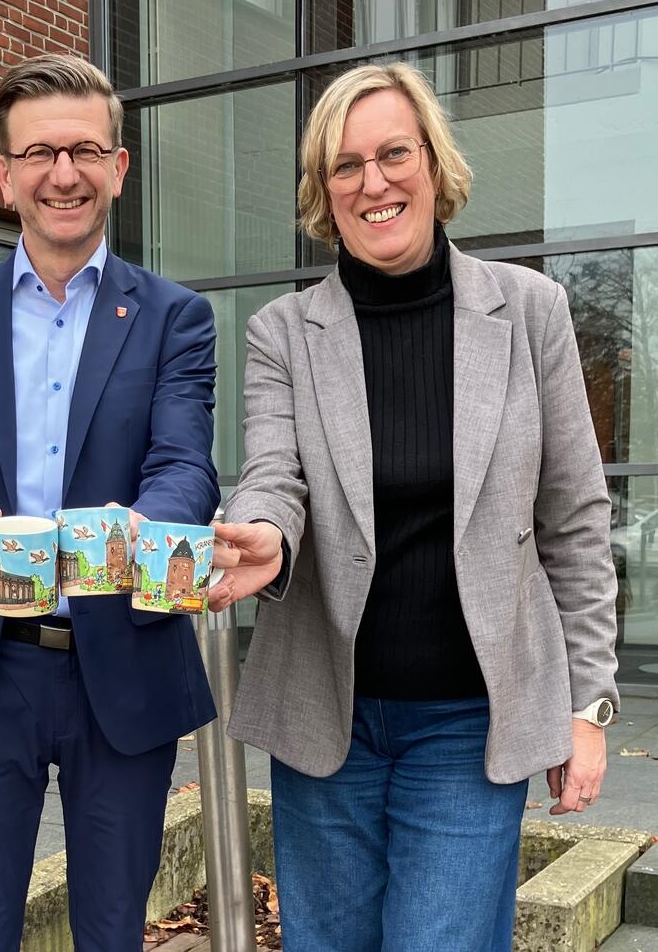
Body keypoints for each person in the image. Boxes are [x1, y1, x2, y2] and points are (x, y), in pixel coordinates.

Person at [208, 62, 619, 952]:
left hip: (470, 720)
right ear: (324, 191)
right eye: (345, 165)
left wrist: (588, 704)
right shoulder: (282, 332)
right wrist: (265, 533)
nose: (374, 182)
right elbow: (273, 471)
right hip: (327, 715)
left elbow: (577, 519)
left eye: (393, 153)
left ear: (433, 163)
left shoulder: (531, 311)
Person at [0, 52, 219, 951]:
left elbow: (185, 463)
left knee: (112, 932)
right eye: (39, 153)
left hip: (122, 663)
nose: (62, 173)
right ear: (3, 172)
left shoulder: (174, 317)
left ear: (120, 166)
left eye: (84, 151)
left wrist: (148, 522)